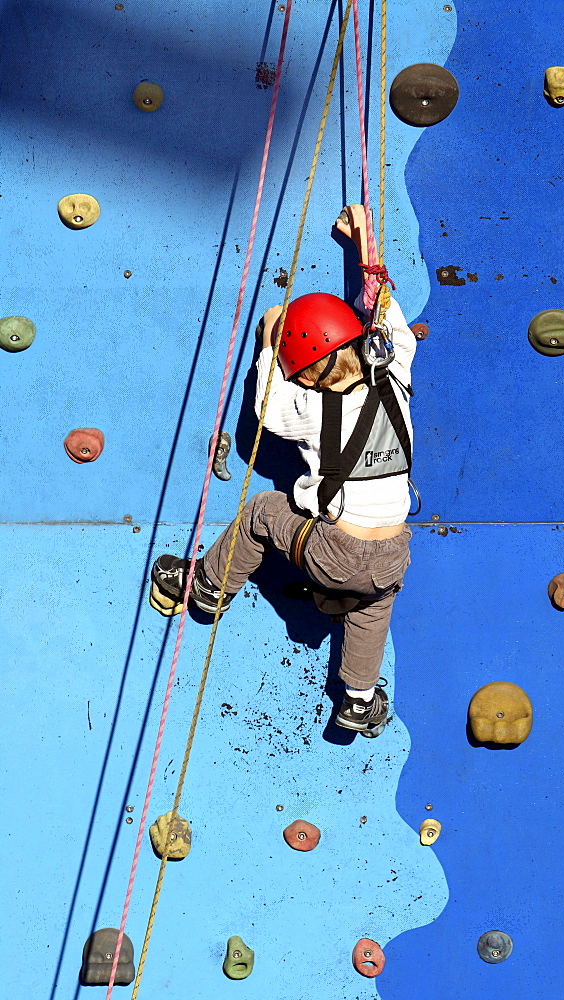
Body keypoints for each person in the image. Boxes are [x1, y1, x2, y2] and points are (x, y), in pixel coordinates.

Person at [149, 205, 417, 737]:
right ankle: (359, 699)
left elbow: (267, 405)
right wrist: (364, 243)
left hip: (337, 551)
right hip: (394, 552)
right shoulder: (396, 371)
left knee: (263, 511)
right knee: (371, 611)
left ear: (303, 373)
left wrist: (271, 337)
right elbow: (384, 309)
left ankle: (207, 586)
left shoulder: (310, 408)